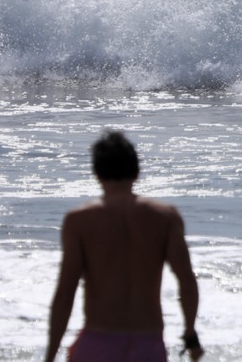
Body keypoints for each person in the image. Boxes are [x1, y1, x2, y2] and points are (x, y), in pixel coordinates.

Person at [47, 130, 204, 362]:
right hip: (148, 344)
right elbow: (187, 281)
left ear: (96, 174)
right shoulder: (165, 217)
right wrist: (190, 334)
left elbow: (65, 293)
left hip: (98, 343)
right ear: (137, 172)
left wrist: (50, 356)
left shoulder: (80, 220)